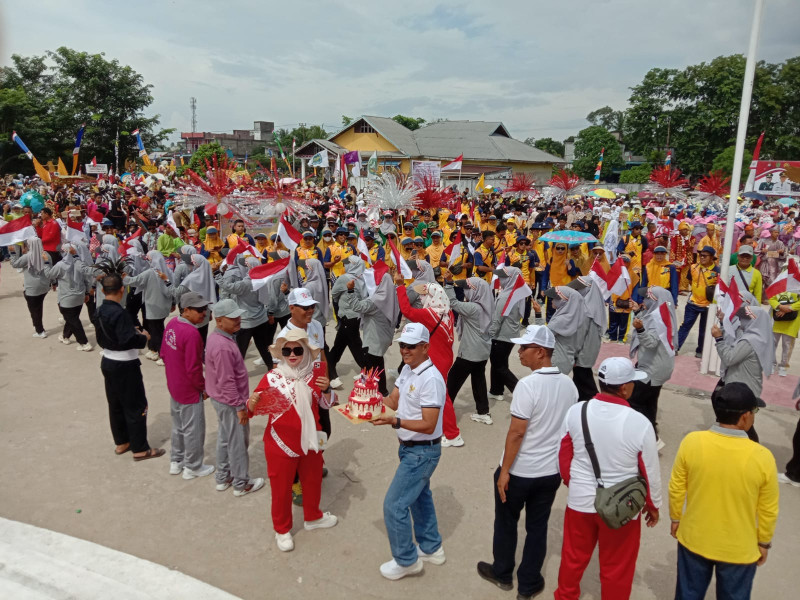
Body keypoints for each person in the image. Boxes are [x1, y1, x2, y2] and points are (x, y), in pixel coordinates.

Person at [477, 325, 578, 599]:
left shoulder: (528, 385)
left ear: (541, 352)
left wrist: (504, 471)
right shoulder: (568, 385)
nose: (519, 352)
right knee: (537, 527)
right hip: (549, 472)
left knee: (506, 522)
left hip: (520, 471)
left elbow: (517, 432)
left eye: (524, 348)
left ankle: (502, 572)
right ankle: (529, 584)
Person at [555, 356, 662, 600]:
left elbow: (563, 454)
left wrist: (575, 482)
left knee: (573, 558)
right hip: (622, 506)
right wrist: (653, 505)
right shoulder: (640, 423)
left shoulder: (576, 411)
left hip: (580, 501)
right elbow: (650, 471)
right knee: (617, 567)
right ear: (624, 388)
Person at [669, 383, 779, 600]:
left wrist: (676, 518)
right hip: (739, 549)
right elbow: (768, 508)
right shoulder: (762, 457)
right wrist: (763, 541)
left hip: (694, 538)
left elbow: (676, 487)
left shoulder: (692, 442)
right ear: (745, 417)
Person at [248, 329, 338, 552]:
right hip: (280, 444)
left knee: (313, 481)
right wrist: (252, 402)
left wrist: (327, 389)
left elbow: (327, 404)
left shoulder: (315, 376)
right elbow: (252, 407)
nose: (292, 354)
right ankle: (282, 529)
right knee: (281, 489)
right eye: (287, 351)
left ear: (306, 351)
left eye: (297, 349)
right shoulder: (272, 377)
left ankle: (313, 516)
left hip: (311, 440)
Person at [372, 323, 447, 580]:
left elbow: (429, 424)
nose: (405, 350)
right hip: (409, 448)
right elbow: (393, 401)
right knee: (419, 498)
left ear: (425, 347)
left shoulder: (431, 379)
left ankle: (406, 561)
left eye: (411, 346)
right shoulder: (407, 369)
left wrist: (395, 421)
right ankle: (432, 547)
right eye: (402, 345)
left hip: (422, 452)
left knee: (394, 505)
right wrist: (366, 404)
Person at [92, 271, 165, 461]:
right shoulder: (120, 313)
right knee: (135, 404)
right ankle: (140, 448)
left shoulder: (99, 310)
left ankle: (122, 441)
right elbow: (129, 340)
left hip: (108, 360)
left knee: (115, 404)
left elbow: (104, 337)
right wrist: (143, 337)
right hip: (125, 364)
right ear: (122, 290)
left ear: (103, 290)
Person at [205, 298, 265, 496]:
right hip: (230, 401)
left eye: (238, 316)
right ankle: (241, 483)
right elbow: (227, 381)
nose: (238, 320)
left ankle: (223, 477)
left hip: (221, 399)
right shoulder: (222, 346)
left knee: (225, 438)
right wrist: (239, 407)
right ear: (219, 320)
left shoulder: (218, 338)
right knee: (238, 442)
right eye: (232, 318)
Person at [395, 276, 463, 447]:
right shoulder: (446, 312)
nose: (421, 299)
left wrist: (400, 287)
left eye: (424, 296)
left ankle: (453, 434)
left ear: (432, 297)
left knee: (442, 397)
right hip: (445, 356)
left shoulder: (430, 314)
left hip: (437, 358)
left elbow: (407, 310)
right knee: (437, 393)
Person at [162, 291, 214, 479]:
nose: (204, 313)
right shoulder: (192, 333)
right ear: (186, 310)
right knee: (193, 429)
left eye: (205, 309)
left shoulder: (172, 324)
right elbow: (194, 368)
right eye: (199, 310)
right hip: (189, 389)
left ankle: (176, 460)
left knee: (178, 425)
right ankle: (193, 466)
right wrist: (203, 387)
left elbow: (164, 353)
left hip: (174, 384)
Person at [711, 306, 776, 441]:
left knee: (743, 426)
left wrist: (718, 339)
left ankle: (752, 448)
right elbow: (734, 336)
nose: (740, 321)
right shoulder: (759, 336)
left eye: (744, 318)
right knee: (741, 424)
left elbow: (729, 358)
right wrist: (723, 322)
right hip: (745, 385)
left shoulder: (750, 341)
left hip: (742, 390)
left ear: (753, 321)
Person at [628, 287, 677, 446]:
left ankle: (651, 438)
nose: (644, 301)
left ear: (654, 300)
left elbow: (650, 342)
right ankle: (650, 431)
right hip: (654, 365)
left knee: (636, 401)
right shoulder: (659, 314)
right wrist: (637, 312)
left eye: (647, 298)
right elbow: (646, 322)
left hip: (653, 368)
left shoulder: (659, 318)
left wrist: (640, 329)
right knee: (649, 401)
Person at [443, 275, 492, 423]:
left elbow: (452, 302)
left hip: (469, 353)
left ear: (475, 291)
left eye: (467, 288)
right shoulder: (488, 306)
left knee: (451, 383)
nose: (464, 291)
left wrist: (448, 284)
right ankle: (483, 412)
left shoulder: (473, 308)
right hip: (482, 352)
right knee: (478, 380)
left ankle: (443, 413)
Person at [45, 243, 93, 351]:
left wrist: (46, 262)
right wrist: (86, 293)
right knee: (72, 317)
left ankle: (84, 343)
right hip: (80, 294)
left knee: (73, 319)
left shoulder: (60, 265)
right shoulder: (80, 263)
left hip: (67, 297)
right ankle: (65, 336)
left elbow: (49, 275)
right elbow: (87, 279)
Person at [488, 267, 525, 401]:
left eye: (503, 277)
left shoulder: (506, 296)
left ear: (511, 279)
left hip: (501, 336)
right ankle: (496, 390)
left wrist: (488, 335)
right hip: (511, 334)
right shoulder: (518, 294)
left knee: (499, 365)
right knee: (500, 363)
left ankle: (520, 391)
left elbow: (497, 319)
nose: (500, 279)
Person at [676, 246, 719, 358]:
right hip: (693, 303)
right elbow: (691, 281)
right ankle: (675, 347)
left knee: (704, 329)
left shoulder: (717, 271)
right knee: (685, 326)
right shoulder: (693, 267)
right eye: (700, 255)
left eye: (705, 256)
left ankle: (700, 350)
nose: (702, 257)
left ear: (712, 258)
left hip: (708, 306)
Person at [10, 237, 51, 338]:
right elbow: (50, 269)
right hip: (44, 286)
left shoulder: (27, 256)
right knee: (38, 307)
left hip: (32, 288)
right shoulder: (46, 254)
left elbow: (14, 264)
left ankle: (40, 331)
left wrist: (13, 252)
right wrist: (53, 282)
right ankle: (40, 328)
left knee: (34, 310)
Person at [768, 285, 800, 377]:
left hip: (792, 322)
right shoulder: (778, 283)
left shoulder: (797, 285)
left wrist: (789, 309)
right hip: (776, 320)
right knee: (772, 343)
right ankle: (771, 363)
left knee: (787, 345)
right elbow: (771, 298)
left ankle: (783, 366)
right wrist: (780, 307)